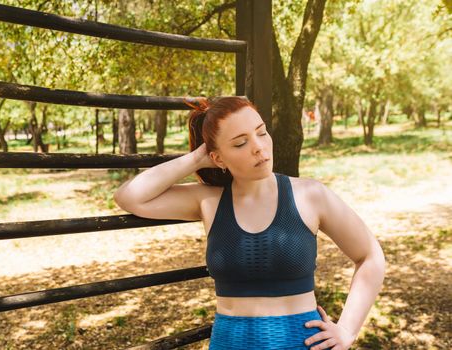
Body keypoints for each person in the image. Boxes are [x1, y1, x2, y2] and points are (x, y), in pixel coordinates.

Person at [113, 96, 386, 350]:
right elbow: (131, 197)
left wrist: (347, 330)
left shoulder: (310, 195)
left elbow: (370, 256)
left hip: (300, 340)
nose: (259, 147)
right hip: (228, 342)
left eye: (262, 132)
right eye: (240, 143)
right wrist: (196, 159)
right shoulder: (209, 201)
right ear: (217, 157)